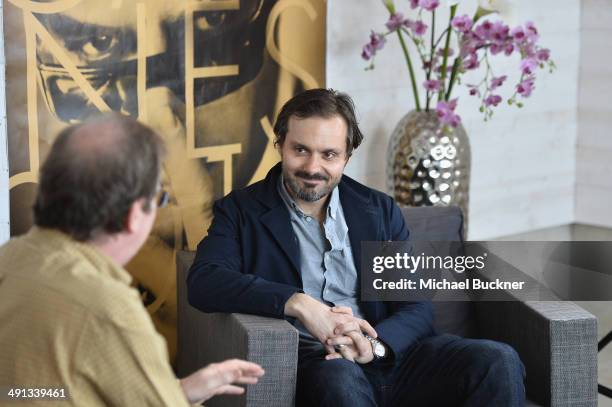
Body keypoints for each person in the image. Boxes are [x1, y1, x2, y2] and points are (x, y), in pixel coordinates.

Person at [187, 88, 526, 406]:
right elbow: (205, 281)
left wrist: (374, 346)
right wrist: (300, 303)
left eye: (329, 154)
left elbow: (417, 307)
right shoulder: (240, 211)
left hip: (391, 357)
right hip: (320, 364)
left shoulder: (378, 209)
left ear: (347, 156)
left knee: (498, 359)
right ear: (280, 144)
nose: (312, 167)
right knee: (340, 377)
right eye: (300, 149)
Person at [0, 114, 264, 406]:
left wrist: (179, 390)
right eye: (159, 199)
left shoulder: (9, 258)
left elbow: (41, 390)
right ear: (133, 215)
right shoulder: (106, 306)